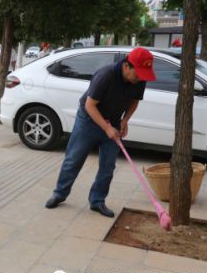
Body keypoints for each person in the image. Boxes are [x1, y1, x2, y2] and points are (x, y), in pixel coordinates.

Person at [44, 47, 156, 218]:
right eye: (138, 74)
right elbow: (90, 105)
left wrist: (124, 121)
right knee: (74, 159)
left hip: (114, 121)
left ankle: (97, 201)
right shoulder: (106, 75)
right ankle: (59, 193)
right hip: (88, 119)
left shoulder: (139, 78)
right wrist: (106, 128)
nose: (140, 78)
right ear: (127, 66)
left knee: (108, 166)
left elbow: (134, 101)